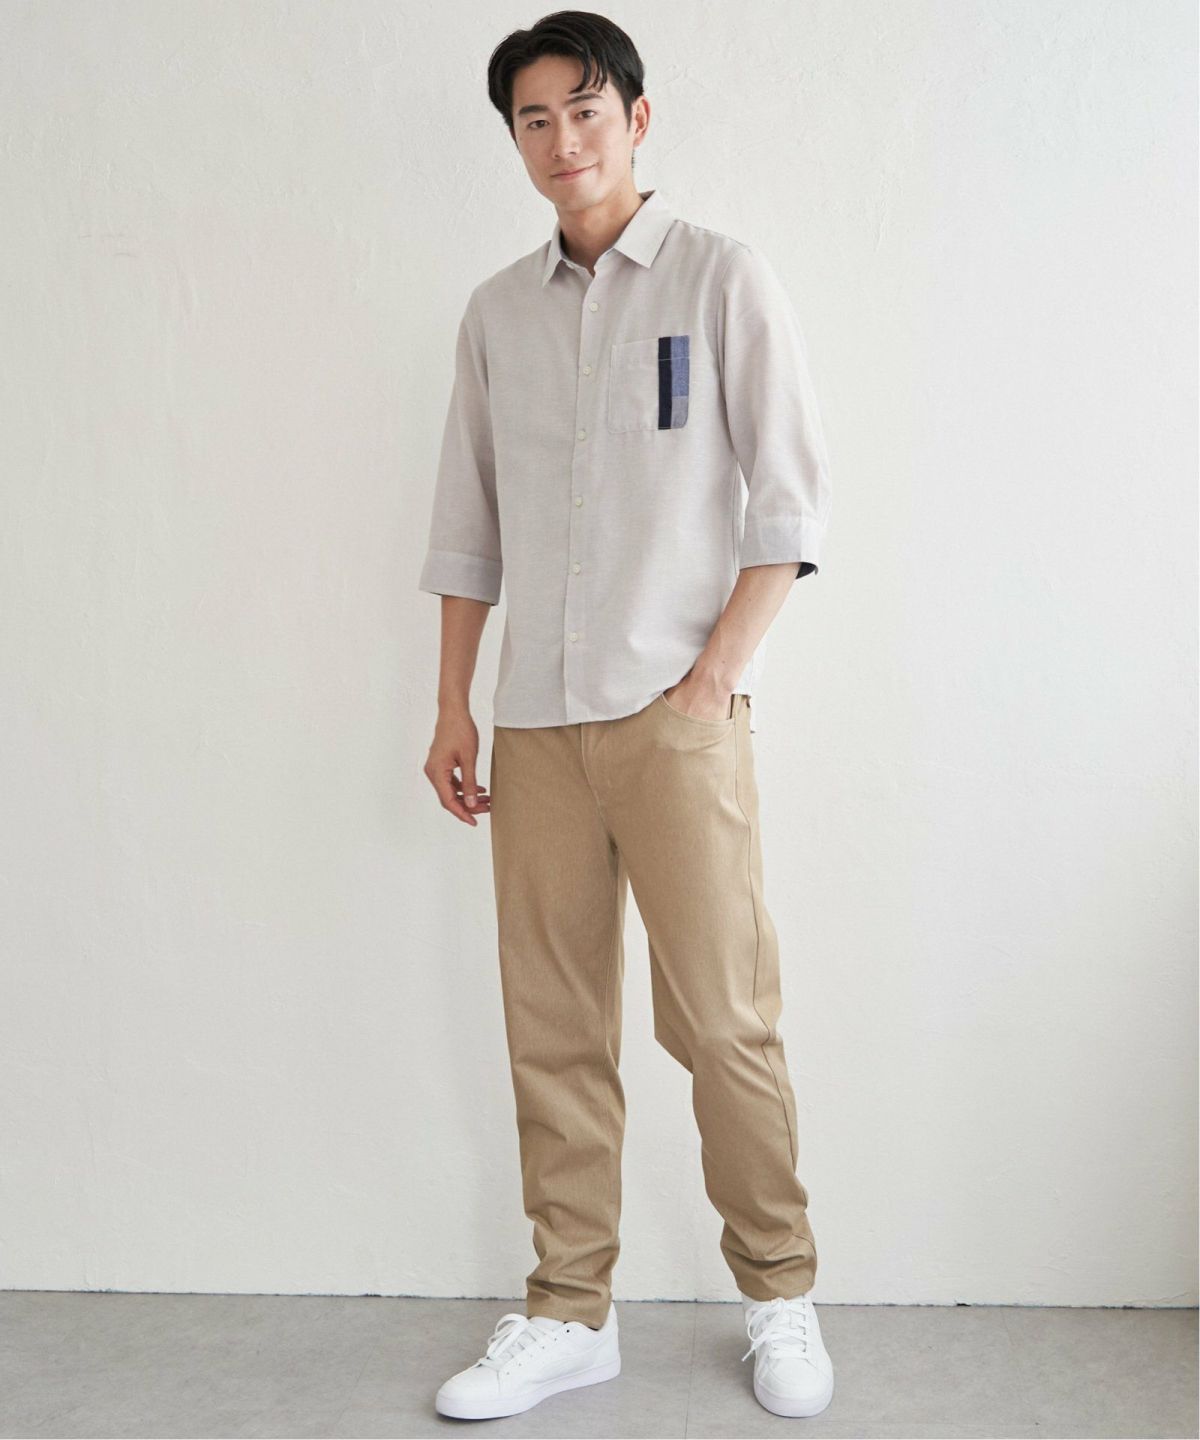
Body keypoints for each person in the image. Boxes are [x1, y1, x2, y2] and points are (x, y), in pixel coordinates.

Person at [419, 9, 835, 1422]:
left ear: (636, 120)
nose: (561, 141)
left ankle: (779, 1291)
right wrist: (453, 704)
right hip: (534, 725)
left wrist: (715, 677)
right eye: (533, 120)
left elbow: (790, 506)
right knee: (552, 1025)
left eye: (584, 111)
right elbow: (467, 525)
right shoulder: (495, 314)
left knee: (723, 1020)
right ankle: (568, 1310)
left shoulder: (722, 279)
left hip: (677, 716)